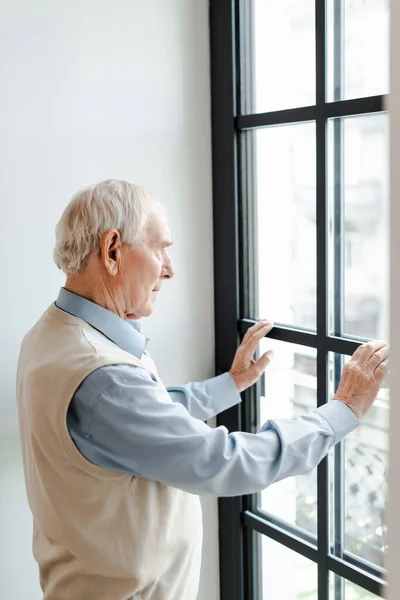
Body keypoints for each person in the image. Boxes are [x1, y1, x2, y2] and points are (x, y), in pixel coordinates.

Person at [16, 179, 389, 600]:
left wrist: (229, 385)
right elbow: (223, 462)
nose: (170, 268)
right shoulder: (103, 376)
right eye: (160, 248)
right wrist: (341, 410)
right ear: (113, 251)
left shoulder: (55, 335)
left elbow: (137, 421)